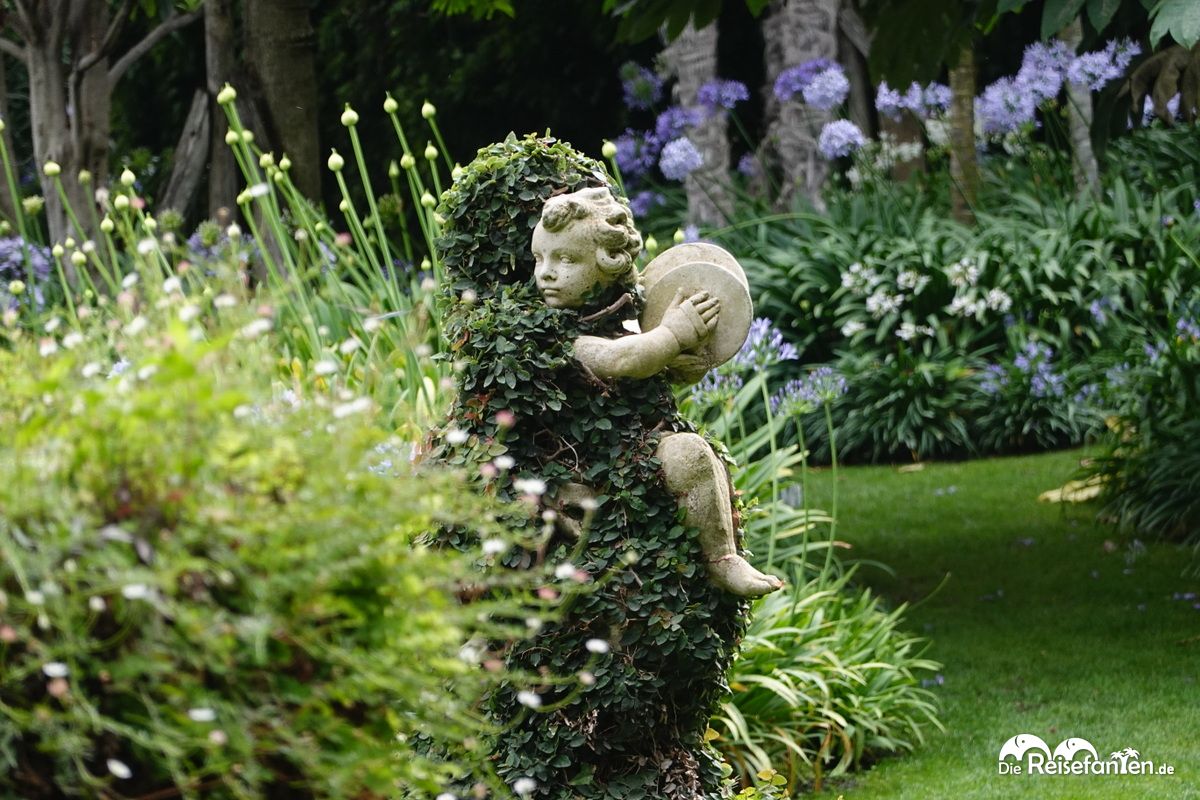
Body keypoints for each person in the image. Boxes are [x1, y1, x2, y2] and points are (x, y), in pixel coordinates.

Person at [531, 187, 783, 597]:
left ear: (608, 265)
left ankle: (723, 558)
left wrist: (685, 358)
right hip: (576, 462)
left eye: (566, 259)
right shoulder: (553, 337)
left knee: (690, 453)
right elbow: (623, 359)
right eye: (539, 258)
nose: (546, 272)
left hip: (635, 449)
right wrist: (673, 333)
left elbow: (655, 367)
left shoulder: (627, 318)